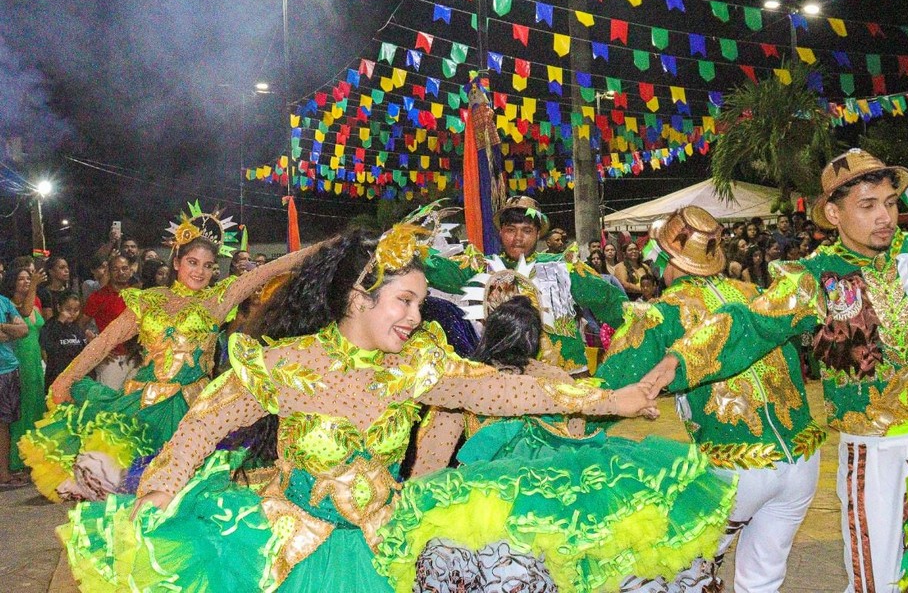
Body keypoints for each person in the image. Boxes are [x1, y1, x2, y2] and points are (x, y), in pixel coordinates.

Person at [55, 220, 658, 593]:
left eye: (420, 303)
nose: (416, 316)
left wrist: (611, 398)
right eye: (404, 301)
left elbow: (509, 390)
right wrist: (161, 487)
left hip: (382, 549)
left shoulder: (416, 367)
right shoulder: (288, 364)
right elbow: (203, 422)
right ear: (357, 298)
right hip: (292, 553)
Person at [642, 149, 908, 592]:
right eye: (868, 205)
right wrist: (681, 360)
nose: (885, 216)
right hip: (874, 449)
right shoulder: (815, 277)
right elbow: (753, 323)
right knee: (876, 582)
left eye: (890, 203)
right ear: (834, 213)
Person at [383, 296, 736, 593]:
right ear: (535, 338)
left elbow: (432, 457)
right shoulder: (553, 378)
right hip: (559, 503)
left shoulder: (468, 380)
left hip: (487, 508)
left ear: (490, 329)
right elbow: (576, 435)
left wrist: (414, 502)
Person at [20, 204, 322, 502]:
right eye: (193, 262)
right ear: (176, 261)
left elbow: (272, 269)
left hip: (195, 410)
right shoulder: (149, 301)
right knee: (129, 489)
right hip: (143, 407)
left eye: (207, 265)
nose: (200, 271)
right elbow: (104, 342)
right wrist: (66, 378)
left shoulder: (219, 299)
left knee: (186, 494)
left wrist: (327, 247)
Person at [596, 207, 824, 593]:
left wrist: (563, 415)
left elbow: (609, 390)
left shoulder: (660, 314)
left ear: (665, 259)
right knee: (762, 579)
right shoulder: (758, 295)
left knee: (670, 574)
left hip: (734, 471)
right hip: (802, 461)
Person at [426, 196, 628, 369]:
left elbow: (611, 302)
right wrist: (413, 253)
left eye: (527, 230)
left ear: (538, 233)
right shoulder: (482, 268)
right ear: (500, 232)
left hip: (565, 381)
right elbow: (441, 270)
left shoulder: (564, 268)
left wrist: (637, 336)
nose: (518, 238)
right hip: (506, 380)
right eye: (510, 230)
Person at [2, 267, 46, 472]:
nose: (27, 282)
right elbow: (25, 313)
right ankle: (16, 460)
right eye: (21, 279)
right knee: (21, 411)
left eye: (29, 278)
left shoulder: (35, 303)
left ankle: (33, 458)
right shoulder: (9, 305)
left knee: (36, 407)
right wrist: (35, 285)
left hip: (35, 361)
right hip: (19, 360)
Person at [77, 254, 137, 390]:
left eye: (124, 268)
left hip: (136, 358)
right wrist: (95, 347)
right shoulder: (98, 297)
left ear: (131, 271)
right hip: (111, 359)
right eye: (115, 269)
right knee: (108, 399)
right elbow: (79, 326)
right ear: (108, 272)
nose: (121, 272)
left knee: (133, 400)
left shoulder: (138, 296)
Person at [0, 291, 28, 487]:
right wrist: (11, 329)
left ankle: (4, 474)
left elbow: (23, 330)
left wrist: (3, 327)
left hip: (8, 369)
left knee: (4, 424)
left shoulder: (4, 302)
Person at [39, 292, 88, 391]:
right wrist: (60, 322)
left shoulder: (77, 328)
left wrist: (89, 342)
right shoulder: (50, 326)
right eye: (68, 309)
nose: (72, 313)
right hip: (56, 377)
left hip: (75, 378)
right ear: (59, 308)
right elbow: (46, 344)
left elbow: (83, 352)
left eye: (76, 310)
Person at [38, 255, 73, 321]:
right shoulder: (43, 293)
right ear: (51, 271)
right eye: (62, 268)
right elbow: (48, 320)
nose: (66, 270)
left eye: (67, 267)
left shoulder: (70, 293)